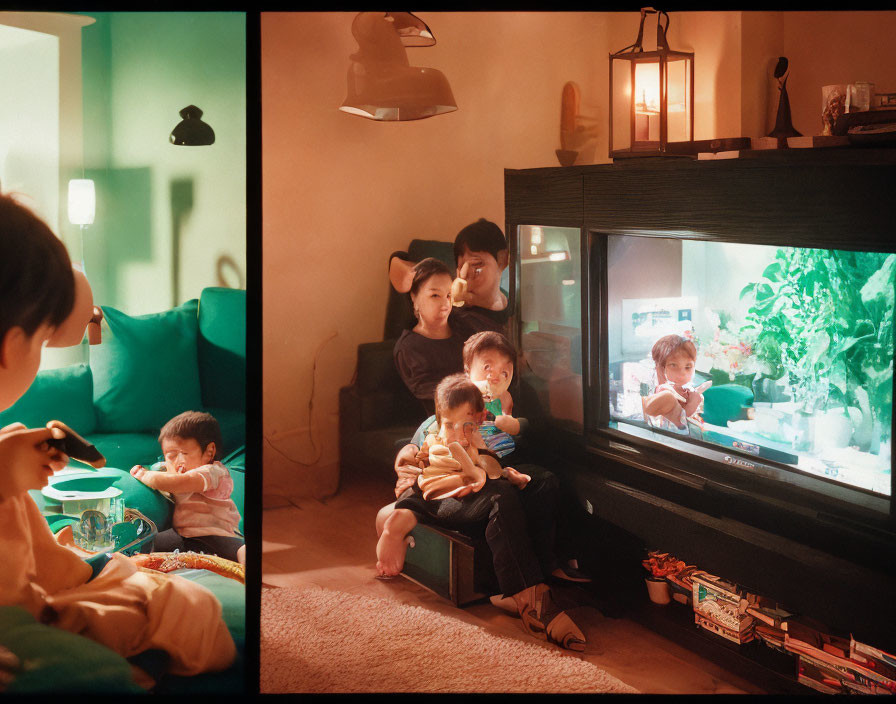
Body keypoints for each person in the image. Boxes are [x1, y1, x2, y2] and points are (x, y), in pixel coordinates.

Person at [0, 193, 235, 687]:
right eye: (41, 341)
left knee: (187, 607)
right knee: (135, 651)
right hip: (22, 625)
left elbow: (48, 561)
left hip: (46, 593)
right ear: (11, 347)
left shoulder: (10, 446)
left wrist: (102, 571)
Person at [376, 374, 586, 652]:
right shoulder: (435, 440)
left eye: (464, 424)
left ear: (478, 419)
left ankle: (512, 588)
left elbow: (496, 463)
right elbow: (419, 480)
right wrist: (397, 521)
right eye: (448, 424)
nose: (454, 431)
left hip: (473, 496)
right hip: (441, 499)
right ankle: (533, 601)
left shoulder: (482, 435)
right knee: (498, 497)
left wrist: (499, 457)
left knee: (511, 491)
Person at [131, 411, 245, 565]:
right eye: (170, 456)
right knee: (144, 546)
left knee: (239, 549)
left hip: (215, 533)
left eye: (184, 453)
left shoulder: (212, 472)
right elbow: (166, 474)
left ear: (209, 452)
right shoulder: (175, 471)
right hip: (184, 536)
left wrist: (146, 476)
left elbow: (182, 482)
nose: (178, 461)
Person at [389, 218, 511, 336]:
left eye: (477, 266)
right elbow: (397, 261)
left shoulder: (511, 303)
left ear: (502, 260)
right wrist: (409, 275)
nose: (465, 278)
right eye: (461, 267)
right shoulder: (452, 304)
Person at [392, 258, 479, 412]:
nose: (445, 304)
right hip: (443, 425)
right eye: (435, 296)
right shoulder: (408, 348)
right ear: (414, 297)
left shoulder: (465, 328)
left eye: (448, 295)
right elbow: (438, 398)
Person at [642, 333, 711, 431]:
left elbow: (692, 421)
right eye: (674, 366)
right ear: (661, 368)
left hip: (691, 437)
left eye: (688, 367)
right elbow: (683, 420)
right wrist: (692, 403)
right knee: (667, 396)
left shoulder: (690, 392)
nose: (682, 373)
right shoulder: (664, 389)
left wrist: (695, 397)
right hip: (669, 435)